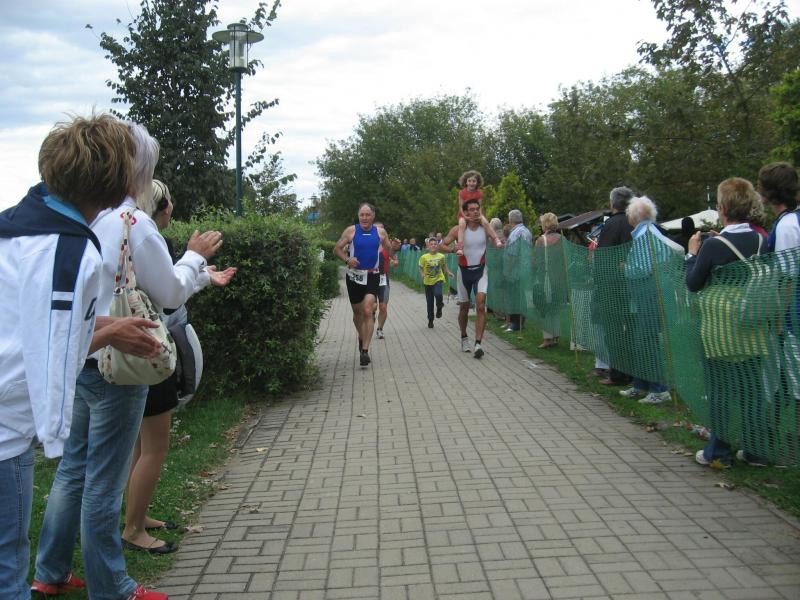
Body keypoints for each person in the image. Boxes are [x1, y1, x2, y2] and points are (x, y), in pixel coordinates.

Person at [34, 123, 224, 600]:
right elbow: (170, 292)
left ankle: (50, 572)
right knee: (104, 479)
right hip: (122, 358)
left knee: (73, 468)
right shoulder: (133, 223)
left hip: (84, 352)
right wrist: (194, 258)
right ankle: (112, 586)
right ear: (140, 169)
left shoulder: (85, 217)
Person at [0, 115, 165, 600]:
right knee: (7, 567)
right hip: (6, 431)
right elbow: (52, 353)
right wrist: (110, 334)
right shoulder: (73, 253)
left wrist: (107, 327)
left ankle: (50, 573)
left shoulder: (16, 227)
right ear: (118, 182)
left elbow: (30, 324)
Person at [122, 181, 235, 555]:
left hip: (135, 349)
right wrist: (195, 258)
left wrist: (202, 275)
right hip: (150, 351)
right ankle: (133, 530)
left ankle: (137, 516)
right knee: (155, 446)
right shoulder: (146, 234)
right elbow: (168, 298)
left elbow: (165, 289)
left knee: (140, 444)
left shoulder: (125, 230)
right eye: (170, 201)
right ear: (163, 206)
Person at [687, 178, 769, 468]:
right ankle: (756, 449)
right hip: (754, 322)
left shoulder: (714, 246)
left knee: (720, 391)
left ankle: (718, 451)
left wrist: (692, 254)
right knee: (752, 390)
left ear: (722, 208)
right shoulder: (762, 240)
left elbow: (693, 283)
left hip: (720, 328)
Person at [620, 196, 683, 404]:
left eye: (629, 213)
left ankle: (659, 389)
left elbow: (643, 268)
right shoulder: (650, 232)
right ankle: (641, 385)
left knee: (647, 342)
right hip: (651, 294)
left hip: (649, 295)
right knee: (642, 341)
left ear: (634, 216)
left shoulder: (644, 236)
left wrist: (626, 268)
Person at [759, 161, 800, 465]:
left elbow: (787, 276)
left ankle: (793, 445)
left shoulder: (786, 225)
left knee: (795, 382)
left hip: (792, 318)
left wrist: (777, 318)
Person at [333, 203, 395, 366]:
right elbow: (336, 249)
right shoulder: (351, 231)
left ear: (373, 216)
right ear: (358, 216)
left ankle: (365, 351)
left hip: (372, 275)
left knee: (368, 310)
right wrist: (347, 259)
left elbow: (390, 251)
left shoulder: (380, 232)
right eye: (362, 215)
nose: (365, 218)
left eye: (368, 215)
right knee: (357, 314)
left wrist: (395, 248)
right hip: (354, 276)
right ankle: (361, 337)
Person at [595, 187, 636, 387]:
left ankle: (618, 373)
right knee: (631, 332)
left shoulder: (611, 224)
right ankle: (633, 372)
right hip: (633, 285)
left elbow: (604, 257)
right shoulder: (634, 223)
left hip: (613, 287)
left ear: (612, 204)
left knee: (614, 332)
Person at [439, 198, 490, 358]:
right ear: (466, 212)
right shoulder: (458, 229)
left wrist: (499, 240)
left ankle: (478, 343)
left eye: (477, 209)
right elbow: (442, 245)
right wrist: (452, 250)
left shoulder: (485, 228)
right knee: (464, 309)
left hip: (481, 270)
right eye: (471, 209)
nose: (475, 212)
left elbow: (497, 237)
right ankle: (463, 336)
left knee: (481, 305)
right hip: (464, 272)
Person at [532, 213, 565, 347]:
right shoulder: (562, 239)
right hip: (560, 278)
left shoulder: (541, 241)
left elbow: (535, 261)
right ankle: (556, 336)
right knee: (555, 308)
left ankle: (547, 339)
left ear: (545, 224)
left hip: (545, 278)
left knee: (544, 308)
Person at [454, 170, 502, 255]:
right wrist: (465, 216)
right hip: (464, 213)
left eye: (474, 181)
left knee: (486, 222)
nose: (471, 183)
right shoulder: (462, 192)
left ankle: (496, 239)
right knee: (461, 225)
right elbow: (461, 206)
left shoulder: (479, 193)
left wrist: (479, 215)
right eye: (469, 181)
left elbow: (480, 206)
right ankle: (460, 247)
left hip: (476, 212)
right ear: (466, 182)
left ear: (477, 182)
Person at [504, 209, 532, 332]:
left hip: (516, 270)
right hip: (526, 268)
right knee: (522, 296)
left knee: (515, 296)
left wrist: (508, 270)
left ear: (511, 220)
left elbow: (513, 255)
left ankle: (515, 323)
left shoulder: (515, 233)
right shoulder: (527, 231)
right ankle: (521, 322)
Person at [418, 237, 453, 328]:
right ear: (428, 246)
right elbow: (420, 267)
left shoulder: (441, 256)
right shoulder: (424, 257)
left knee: (438, 294)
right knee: (429, 302)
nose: (433, 245)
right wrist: (422, 274)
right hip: (428, 282)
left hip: (438, 279)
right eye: (431, 244)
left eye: (435, 244)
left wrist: (448, 272)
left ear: (437, 246)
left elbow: (444, 265)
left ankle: (439, 307)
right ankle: (430, 320)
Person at [374, 222, 398, 340]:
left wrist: (394, 262)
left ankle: (380, 329)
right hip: (369, 279)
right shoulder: (367, 245)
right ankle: (370, 320)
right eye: (377, 229)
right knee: (372, 307)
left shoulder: (387, 246)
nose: (379, 232)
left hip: (383, 279)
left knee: (383, 307)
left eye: (381, 229)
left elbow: (395, 260)